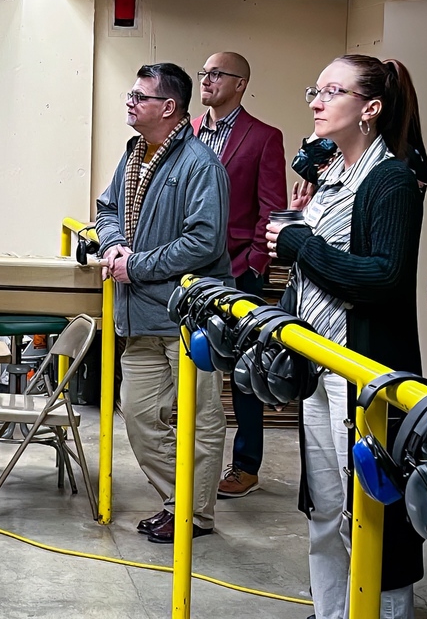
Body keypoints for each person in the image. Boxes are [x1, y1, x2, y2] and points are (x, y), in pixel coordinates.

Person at [266, 55, 427, 619]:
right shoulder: (330, 176)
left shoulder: (392, 181)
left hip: (362, 373)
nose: (316, 100)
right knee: (326, 511)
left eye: (333, 91)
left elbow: (381, 277)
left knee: (373, 516)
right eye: (316, 88)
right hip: (320, 365)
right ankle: (331, 611)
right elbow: (317, 266)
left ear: (371, 108)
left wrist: (298, 244)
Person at [95, 62, 231, 543]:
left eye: (140, 96)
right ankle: (179, 500)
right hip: (142, 312)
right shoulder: (135, 153)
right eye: (131, 95)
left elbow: (205, 241)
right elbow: (107, 207)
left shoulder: (199, 165)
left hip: (189, 315)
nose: (130, 102)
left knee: (199, 419)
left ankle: (194, 515)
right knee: (136, 413)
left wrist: (138, 265)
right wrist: (113, 247)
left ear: (169, 107)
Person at [193, 51, 287, 498]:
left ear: (240, 83)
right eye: (204, 73)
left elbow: (271, 205)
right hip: (189, 270)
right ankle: (194, 459)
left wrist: (252, 263)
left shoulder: (264, 137)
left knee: (243, 371)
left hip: (237, 269)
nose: (207, 80)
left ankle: (246, 464)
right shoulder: (188, 131)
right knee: (192, 366)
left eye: (216, 74)